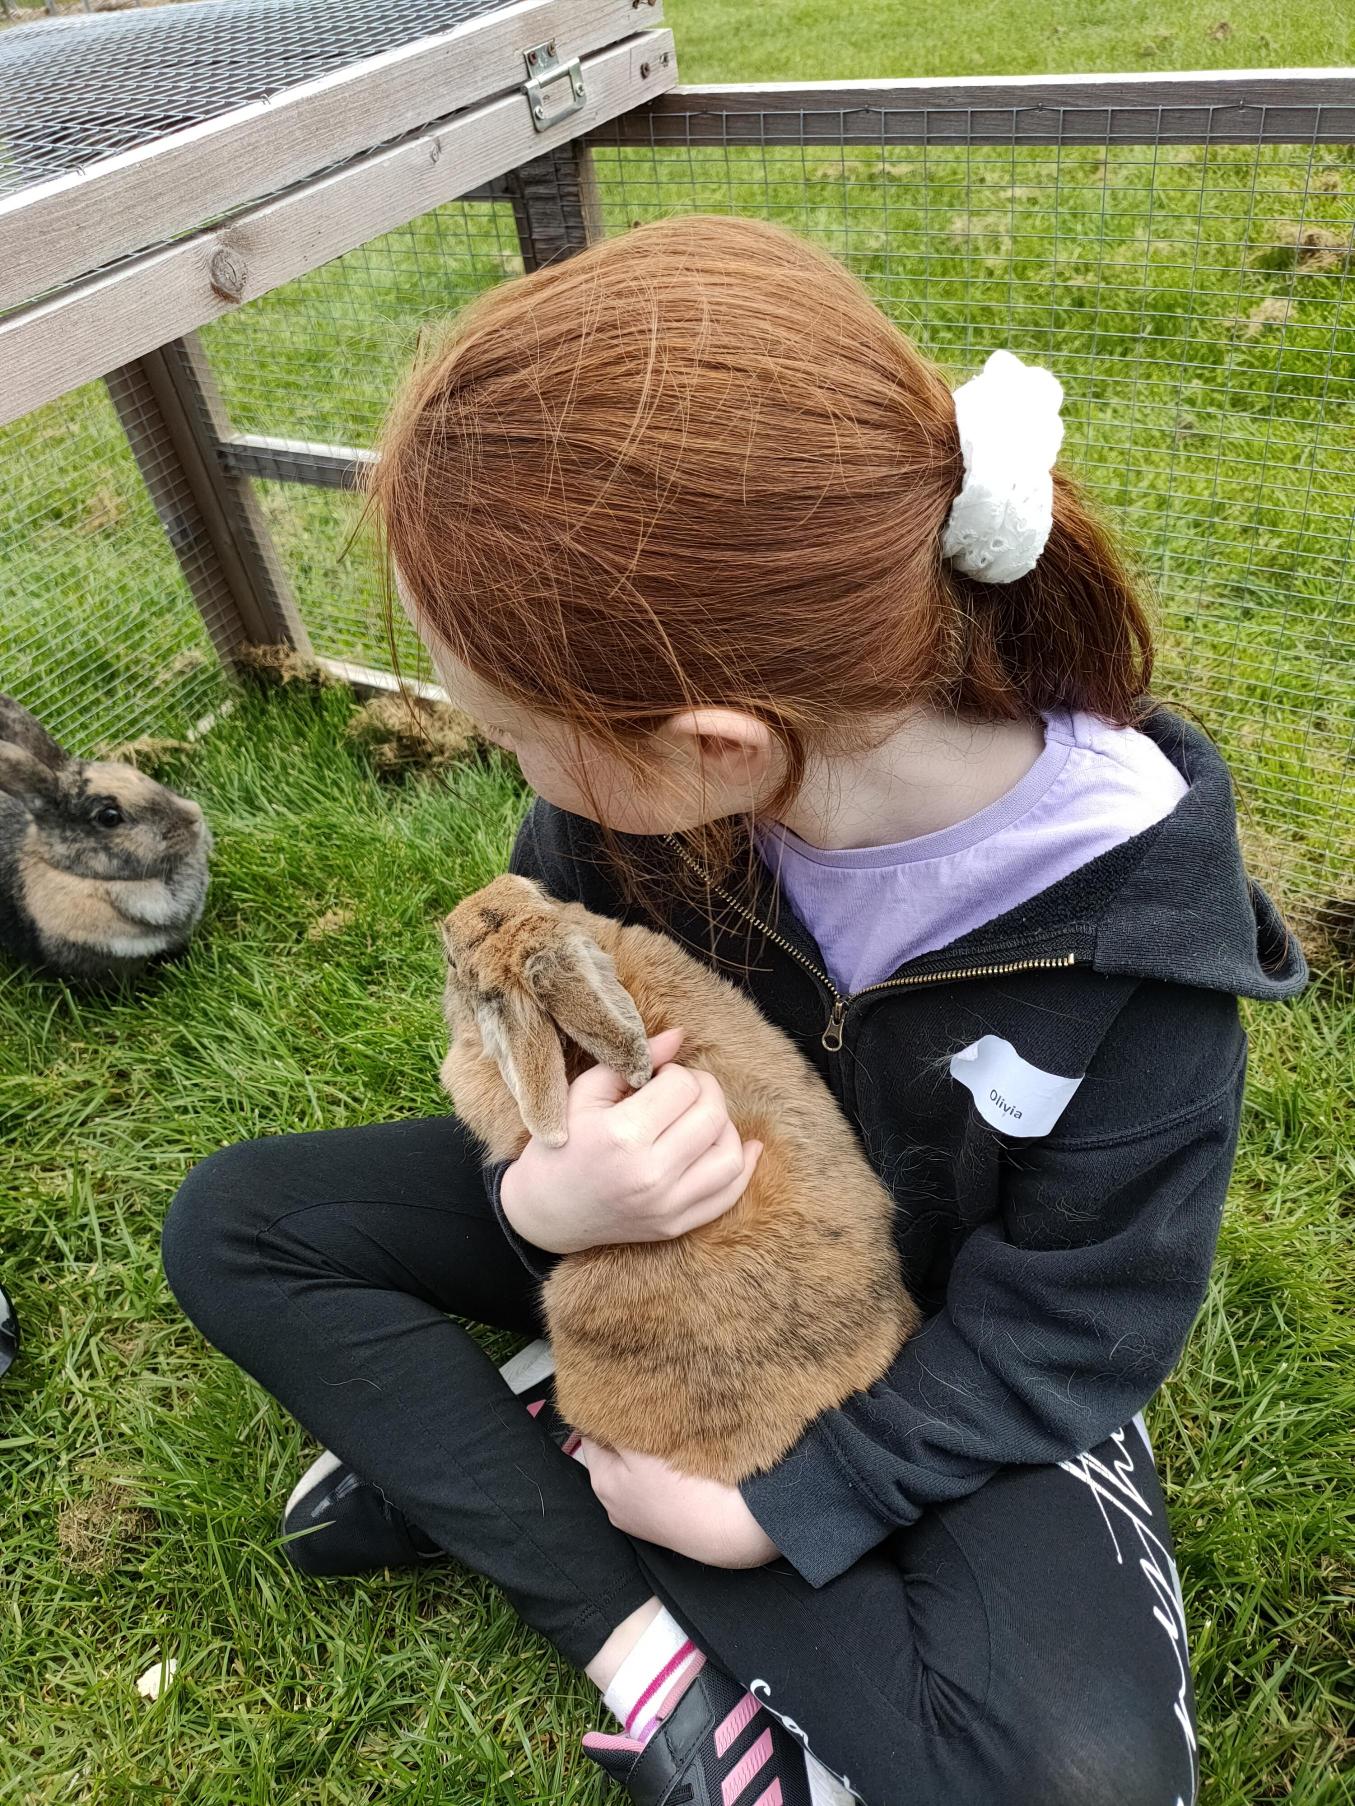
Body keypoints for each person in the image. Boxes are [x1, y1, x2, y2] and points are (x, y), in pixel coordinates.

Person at [161, 216, 1305, 1806]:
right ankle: (642, 1655)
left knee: (1087, 1783)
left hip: (925, 1345)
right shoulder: (633, 807)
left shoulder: (1143, 957)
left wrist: (783, 1502)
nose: (513, 770)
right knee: (236, 1221)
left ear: (708, 747)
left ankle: (525, 1459)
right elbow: (539, 1045)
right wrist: (546, 1192)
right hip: (662, 1231)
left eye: (515, 735)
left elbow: (1075, 1323)